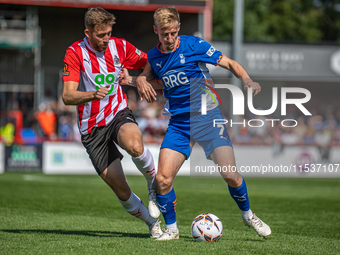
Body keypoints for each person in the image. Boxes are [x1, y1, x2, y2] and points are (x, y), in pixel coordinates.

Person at [126, 6, 271, 240]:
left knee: (230, 175)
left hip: (208, 119)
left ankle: (248, 215)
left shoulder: (195, 45)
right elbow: (158, 83)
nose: (170, 38)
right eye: (165, 34)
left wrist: (247, 80)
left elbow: (230, 63)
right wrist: (136, 79)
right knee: (162, 179)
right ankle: (172, 230)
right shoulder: (153, 56)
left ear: (179, 28)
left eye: (173, 33)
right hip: (180, 123)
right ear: (156, 31)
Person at [61, 7, 162, 238]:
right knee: (121, 188)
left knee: (135, 144)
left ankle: (152, 187)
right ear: (88, 32)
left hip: (117, 112)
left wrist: (141, 78)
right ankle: (151, 223)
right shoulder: (75, 53)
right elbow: (67, 96)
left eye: (108, 33)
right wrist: (92, 94)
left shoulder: (120, 46)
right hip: (91, 128)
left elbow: (152, 60)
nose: (106, 39)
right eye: (100, 35)